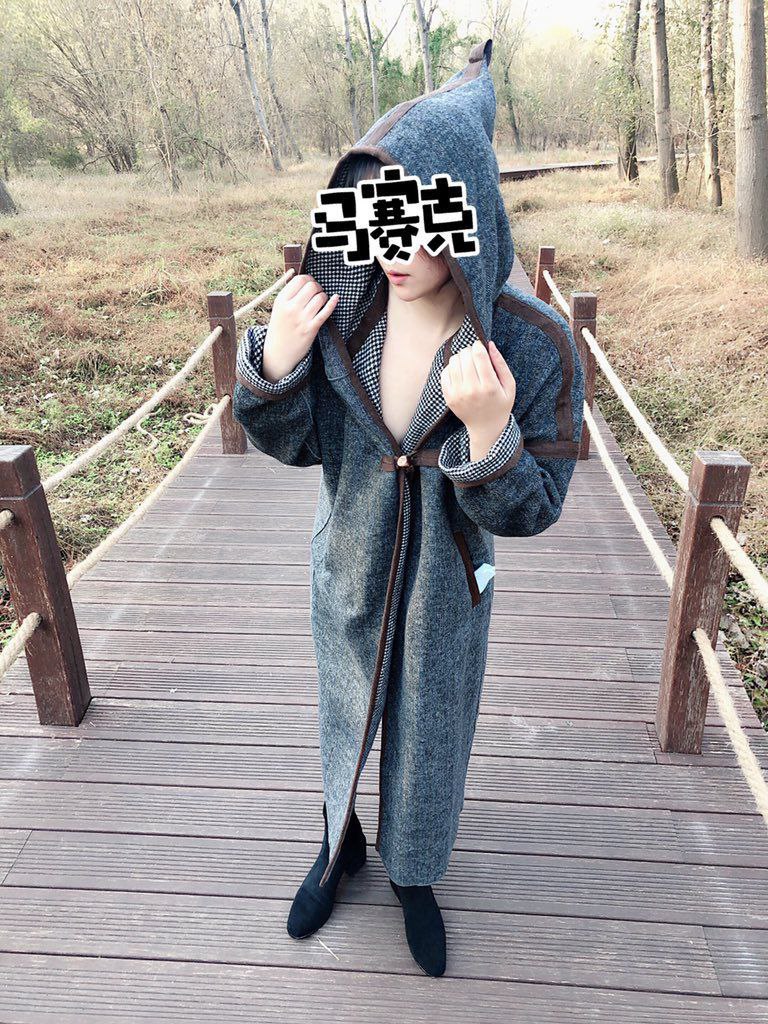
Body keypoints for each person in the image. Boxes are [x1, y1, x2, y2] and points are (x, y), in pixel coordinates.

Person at [232, 37, 585, 978]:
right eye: (380, 220)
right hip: (347, 559)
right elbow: (294, 442)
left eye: (426, 226)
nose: (397, 249)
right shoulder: (340, 310)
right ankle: (337, 843)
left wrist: (489, 433)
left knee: (431, 733)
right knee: (343, 710)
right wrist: (274, 365)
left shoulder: (531, 344)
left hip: (447, 589)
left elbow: (534, 509)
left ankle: (416, 873)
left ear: (468, 221)